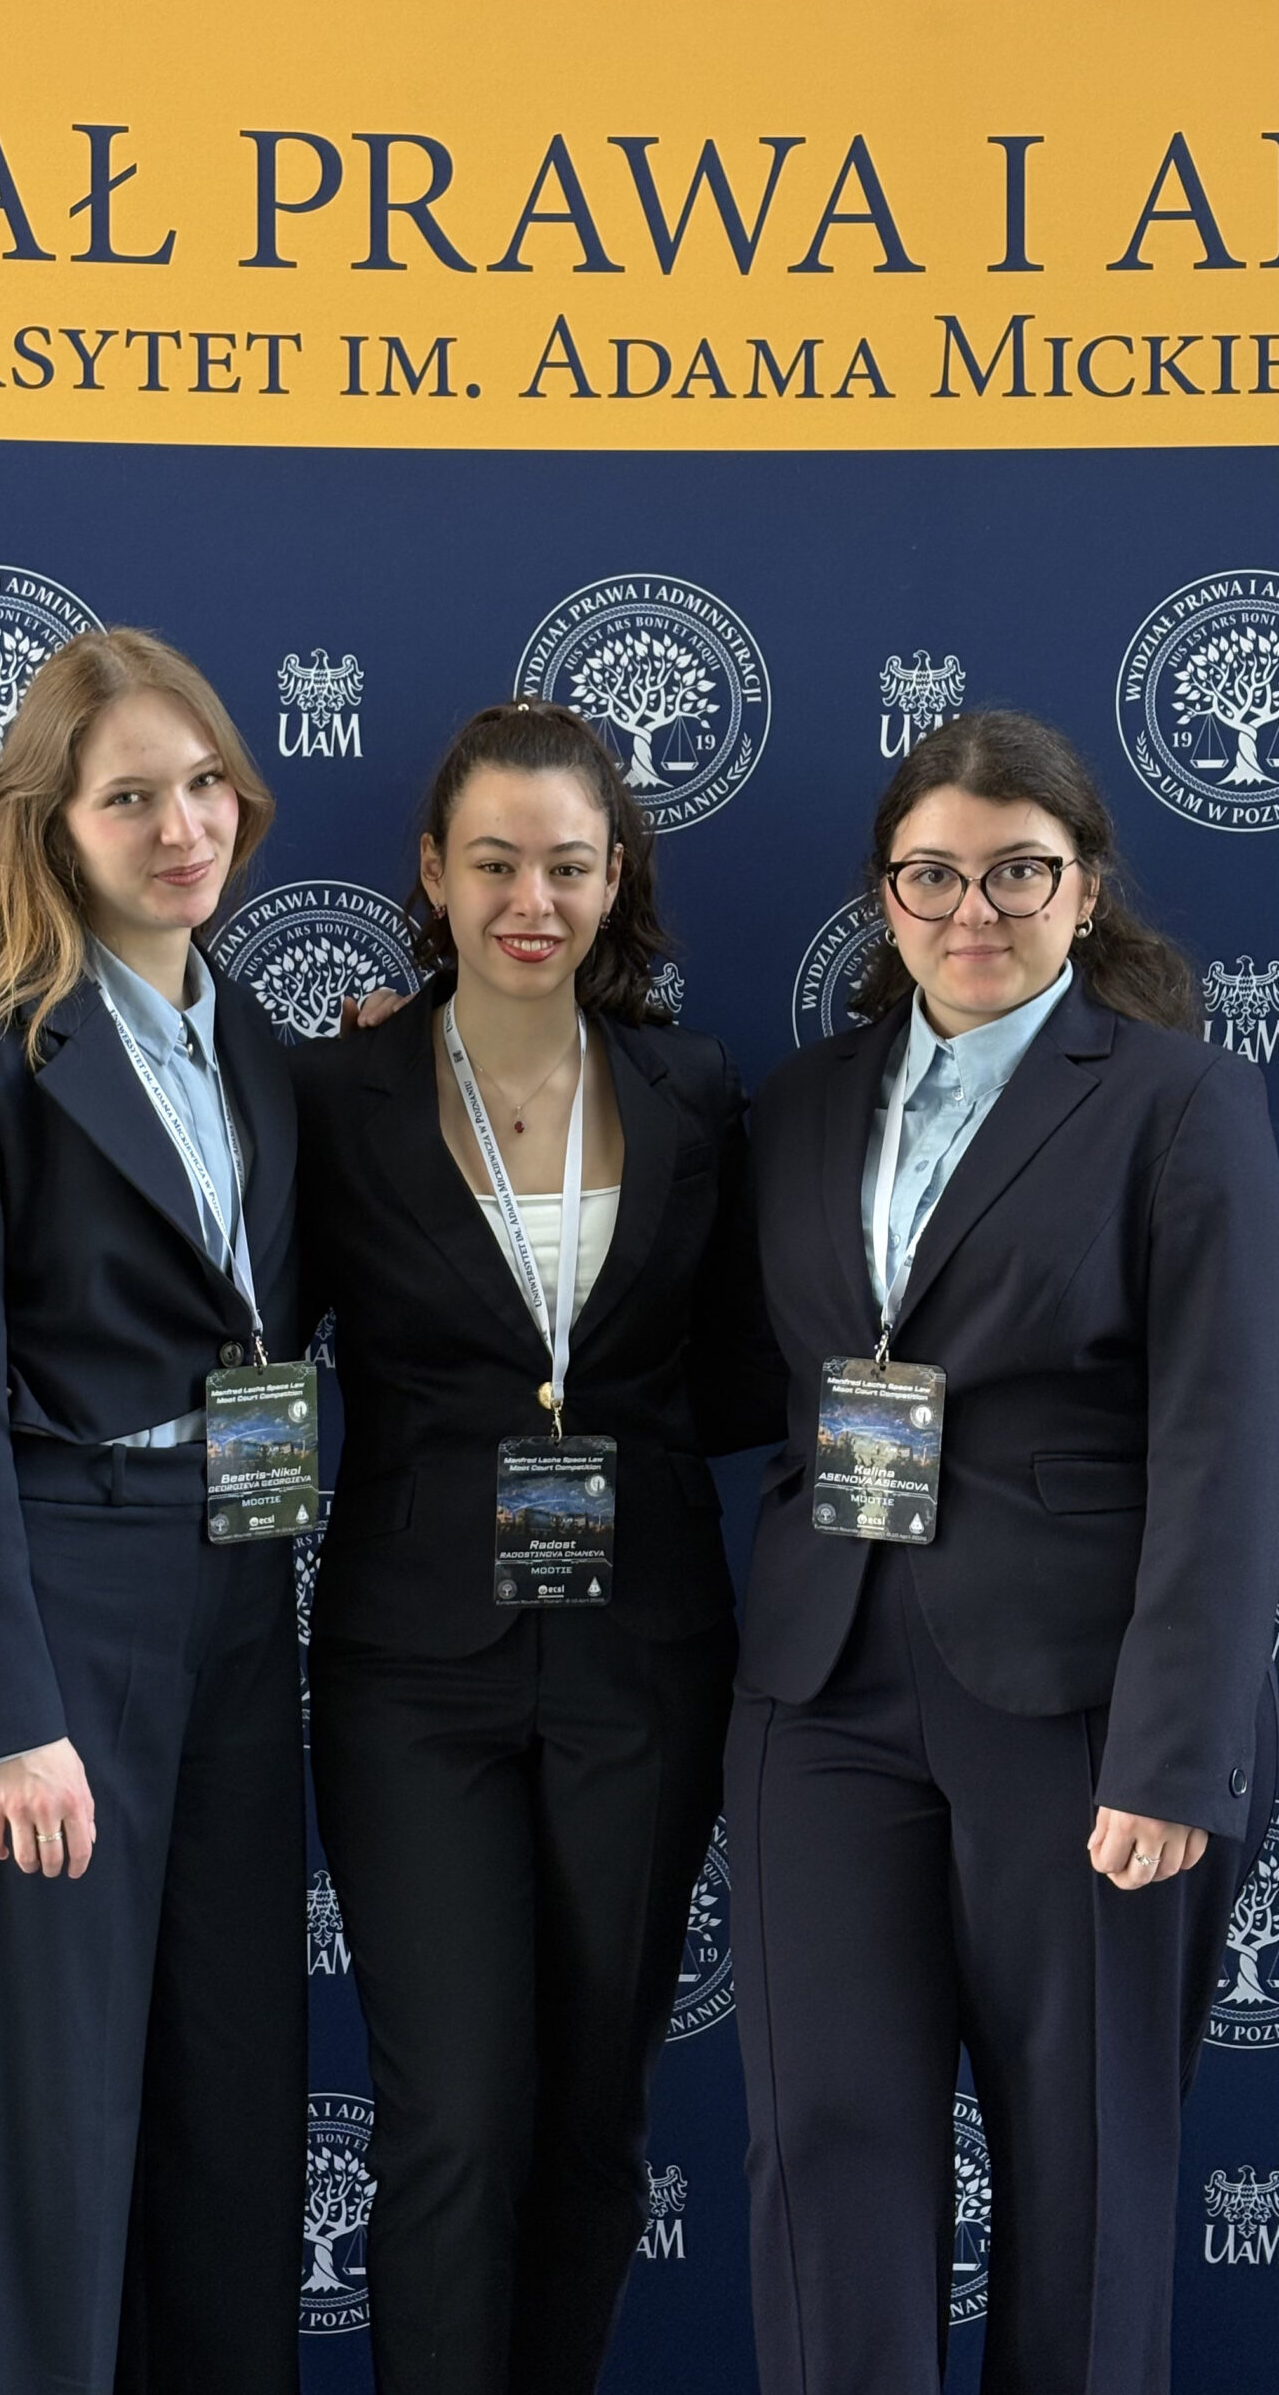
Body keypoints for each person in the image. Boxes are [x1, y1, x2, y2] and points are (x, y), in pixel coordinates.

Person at [728, 708, 1279, 2395]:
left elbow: (1227, 1444)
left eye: (1021, 873)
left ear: (1086, 889)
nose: (975, 911)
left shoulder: (1183, 1103)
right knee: (826, 2148)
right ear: (885, 896)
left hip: (1085, 1709)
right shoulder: (800, 1102)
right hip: (821, 1688)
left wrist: (1176, 1756)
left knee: (1085, 2169)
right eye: (935, 875)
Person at [292, 700, 782, 2395]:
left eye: (567, 866)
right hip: (409, 1674)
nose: (531, 901)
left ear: (613, 875)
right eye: (494, 863)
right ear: (433, 873)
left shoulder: (693, 1088)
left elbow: (738, 1372)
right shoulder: (333, 1090)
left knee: (592, 2118)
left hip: (645, 1662)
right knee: (451, 2115)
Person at [0, 629, 308, 2395]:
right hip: (62, 1616)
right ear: (52, 824)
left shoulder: (253, 1044)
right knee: (30, 2141)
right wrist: (1, 1717)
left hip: (237, 1602)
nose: (183, 829)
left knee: (226, 2114)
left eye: (204, 787)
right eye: (131, 798)